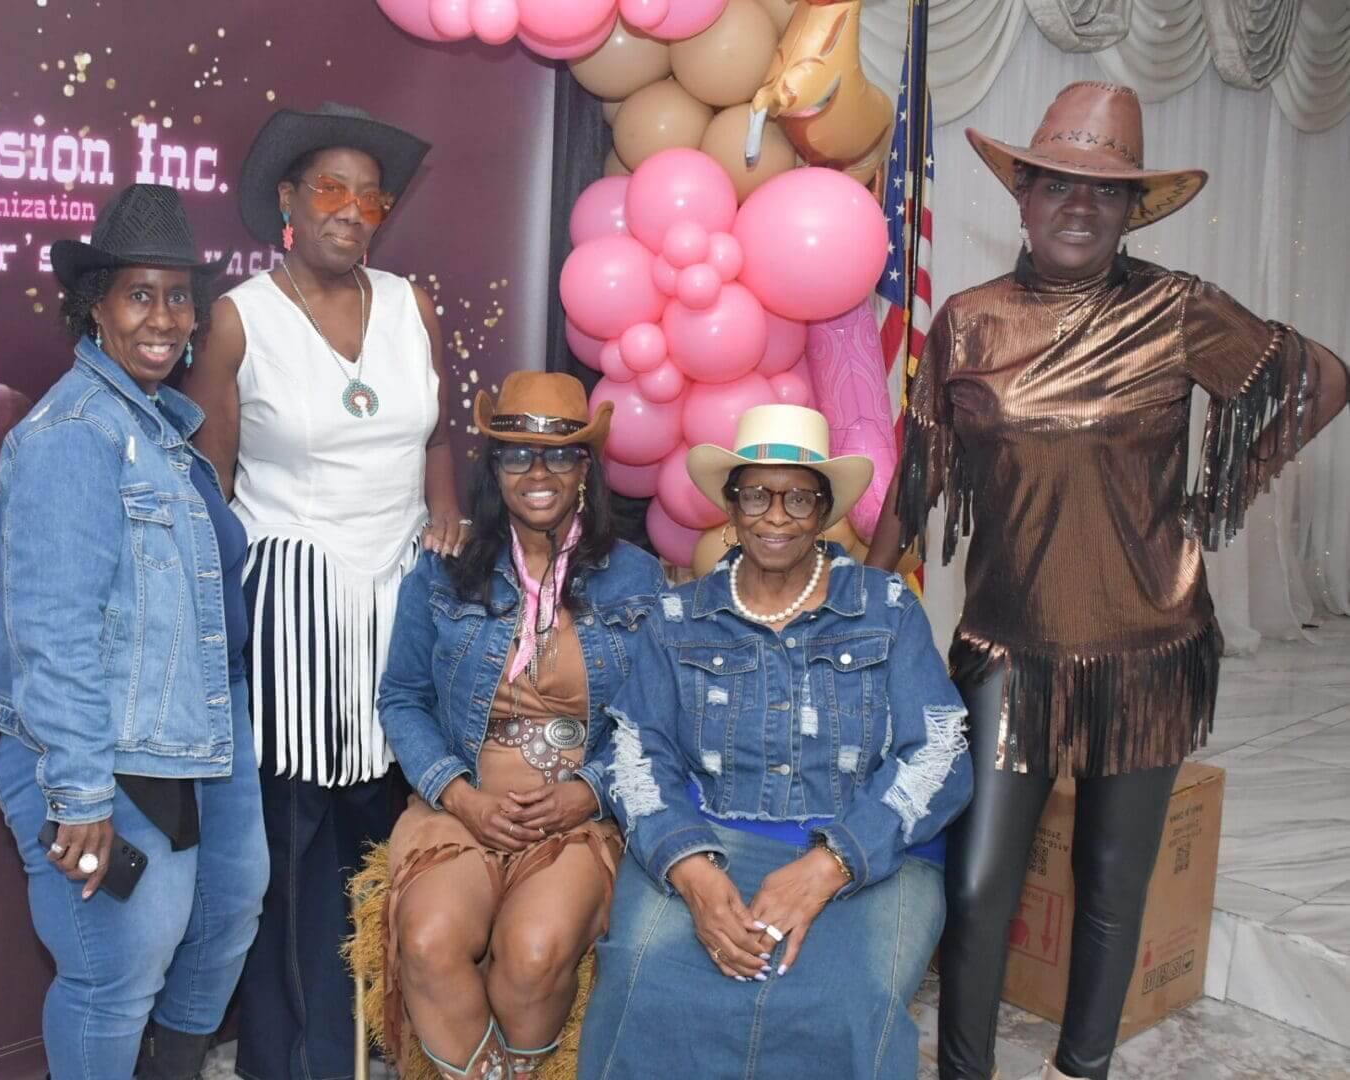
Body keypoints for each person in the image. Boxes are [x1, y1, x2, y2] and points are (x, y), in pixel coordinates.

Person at [864, 82, 1350, 1080]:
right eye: (1059, 183)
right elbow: (918, 480)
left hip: (1148, 649)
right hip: (1007, 648)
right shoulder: (968, 321)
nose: (1080, 204)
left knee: (1113, 883)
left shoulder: (1179, 310)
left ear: (1131, 210)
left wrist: (1231, 479)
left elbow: (1320, 377)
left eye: (1106, 190)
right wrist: (861, 604)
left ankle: (1079, 1069)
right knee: (978, 886)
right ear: (1025, 195)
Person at [181, 102, 465, 1080]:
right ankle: (289, 1060)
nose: (352, 210)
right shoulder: (237, 319)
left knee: (382, 837)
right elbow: (210, 482)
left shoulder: (410, 302)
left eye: (368, 194)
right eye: (330, 189)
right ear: (289, 204)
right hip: (292, 607)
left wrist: (445, 515)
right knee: (292, 860)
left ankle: (381, 1045)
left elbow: (436, 434)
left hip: (399, 598)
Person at [0, 184, 269, 1080]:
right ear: (94, 305)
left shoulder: (164, 428)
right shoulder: (72, 435)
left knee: (226, 919)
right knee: (118, 969)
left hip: (200, 729)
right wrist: (81, 797)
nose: (164, 317)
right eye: (140, 293)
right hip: (97, 744)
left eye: (179, 297)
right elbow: (53, 636)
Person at [578, 404, 972, 1080]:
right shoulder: (678, 617)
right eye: (757, 494)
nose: (777, 516)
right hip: (710, 840)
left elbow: (939, 751)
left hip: (870, 850)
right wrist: (691, 873)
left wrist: (833, 864)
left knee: (847, 999)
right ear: (731, 506)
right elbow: (635, 752)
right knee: (644, 982)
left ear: (823, 512)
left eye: (799, 498)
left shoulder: (886, 607)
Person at [375, 372, 664, 1078]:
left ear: (586, 468)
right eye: (516, 454)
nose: (538, 473)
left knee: (533, 951)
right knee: (428, 938)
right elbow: (402, 699)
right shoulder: (441, 572)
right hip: (464, 803)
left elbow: (658, 721)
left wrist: (589, 792)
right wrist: (461, 796)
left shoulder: (639, 580)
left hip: (575, 817)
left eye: (560, 454)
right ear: (494, 469)